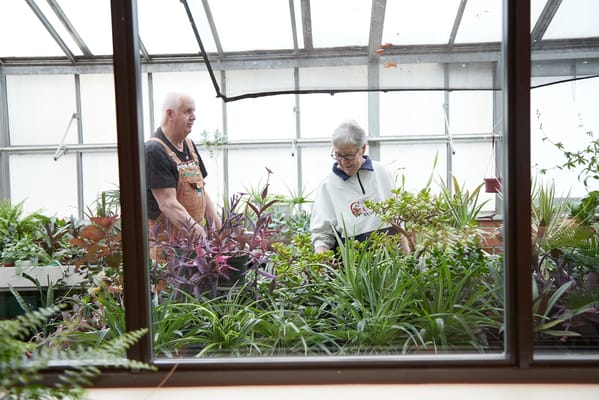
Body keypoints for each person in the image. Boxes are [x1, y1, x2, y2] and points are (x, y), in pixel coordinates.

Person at [145, 92, 220, 260]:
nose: (194, 117)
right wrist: (200, 235)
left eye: (193, 112)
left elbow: (200, 188)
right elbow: (168, 204)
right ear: (170, 114)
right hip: (169, 248)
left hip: (193, 243)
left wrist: (216, 226)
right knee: (172, 286)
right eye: (187, 112)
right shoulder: (154, 151)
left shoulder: (189, 145)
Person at [310, 120, 397, 253]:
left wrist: (408, 258)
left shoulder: (382, 172)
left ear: (362, 148)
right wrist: (321, 268)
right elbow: (322, 234)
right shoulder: (328, 185)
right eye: (338, 155)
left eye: (349, 156)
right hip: (352, 261)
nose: (343, 162)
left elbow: (398, 221)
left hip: (388, 256)